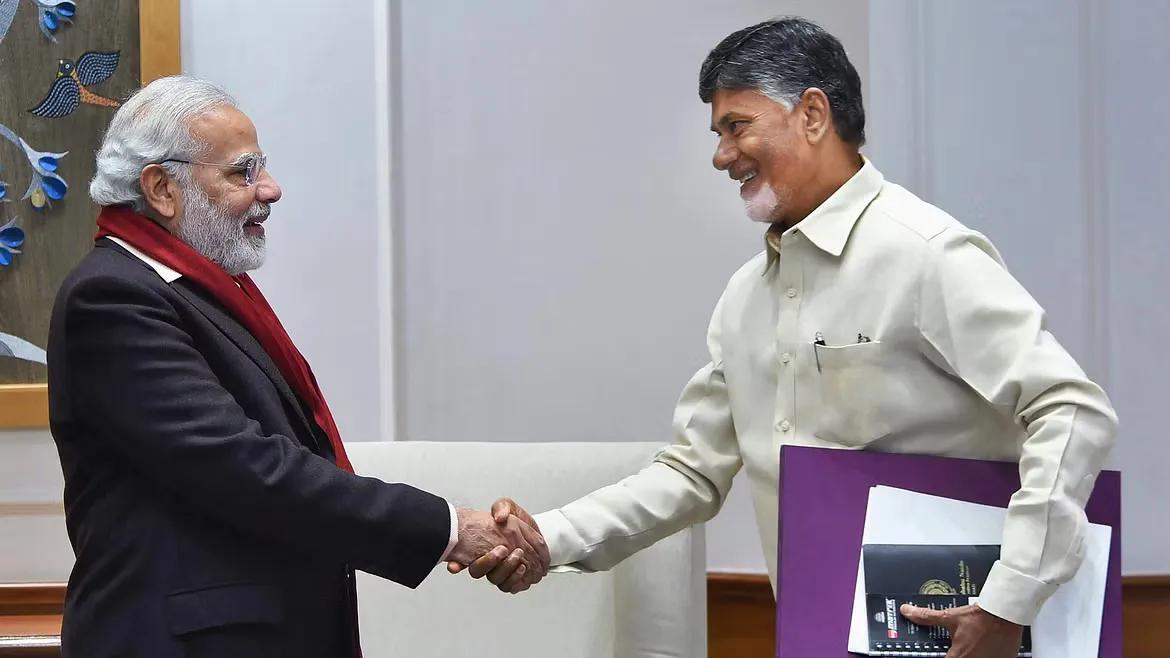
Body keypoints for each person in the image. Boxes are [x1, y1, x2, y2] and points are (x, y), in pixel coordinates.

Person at [466, 17, 1117, 657]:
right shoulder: (745, 298)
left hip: (975, 636)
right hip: (817, 632)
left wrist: (1009, 599)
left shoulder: (926, 255)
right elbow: (692, 470)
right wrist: (547, 538)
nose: (721, 155)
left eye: (736, 126)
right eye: (718, 133)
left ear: (812, 114)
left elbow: (1072, 410)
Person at [47, 75, 547, 658]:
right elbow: (243, 467)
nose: (271, 190)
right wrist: (450, 529)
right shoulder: (112, 296)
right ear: (162, 188)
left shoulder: (196, 290)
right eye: (244, 172)